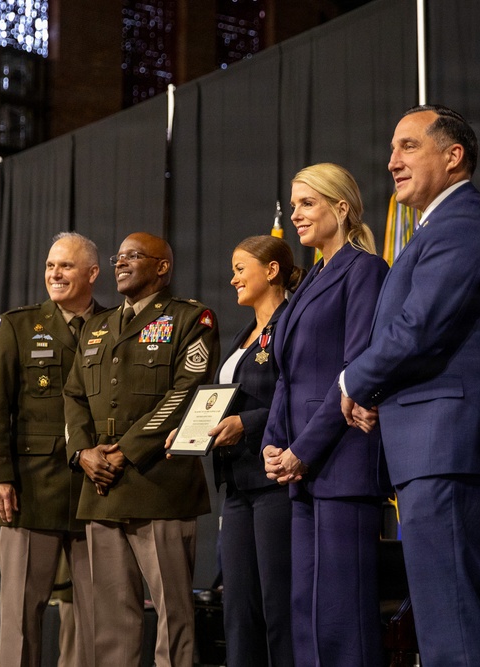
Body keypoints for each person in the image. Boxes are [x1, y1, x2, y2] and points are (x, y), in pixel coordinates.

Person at [340, 105, 480, 666]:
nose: (392, 161)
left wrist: (354, 381)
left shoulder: (465, 222)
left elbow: (420, 329)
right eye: (392, 149)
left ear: (453, 155)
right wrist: (376, 393)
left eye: (409, 146)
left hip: (447, 442)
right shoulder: (439, 227)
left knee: (450, 622)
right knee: (441, 618)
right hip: (430, 443)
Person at [63, 232, 220, 667]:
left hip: (160, 485)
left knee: (174, 616)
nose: (121, 263)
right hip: (102, 488)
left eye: (133, 256)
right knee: (111, 624)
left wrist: (125, 451)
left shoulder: (191, 318)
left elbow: (187, 391)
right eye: (118, 257)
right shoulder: (96, 326)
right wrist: (83, 453)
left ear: (162, 267)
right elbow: (73, 395)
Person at [261, 163, 389, 667]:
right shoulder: (311, 276)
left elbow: (355, 372)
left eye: (307, 203)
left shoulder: (365, 270)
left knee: (342, 616)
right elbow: (286, 375)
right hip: (303, 469)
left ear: (341, 207)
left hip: (342, 463)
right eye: (294, 205)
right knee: (307, 612)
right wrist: (273, 444)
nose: (296, 214)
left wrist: (302, 450)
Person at [170, 235, 304, 666]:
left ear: (272, 271)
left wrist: (246, 423)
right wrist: (188, 432)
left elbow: (300, 399)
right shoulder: (246, 334)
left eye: (240, 269)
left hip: (274, 481)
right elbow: (223, 401)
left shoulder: (293, 323)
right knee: (238, 608)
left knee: (277, 605)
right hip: (237, 485)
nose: (232, 279)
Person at [0, 231, 104, 667]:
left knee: (98, 621)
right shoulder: (19, 324)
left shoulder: (114, 325)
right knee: (20, 619)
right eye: (51, 265)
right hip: (32, 491)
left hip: (97, 491)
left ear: (92, 273)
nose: (55, 273)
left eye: (66, 266)